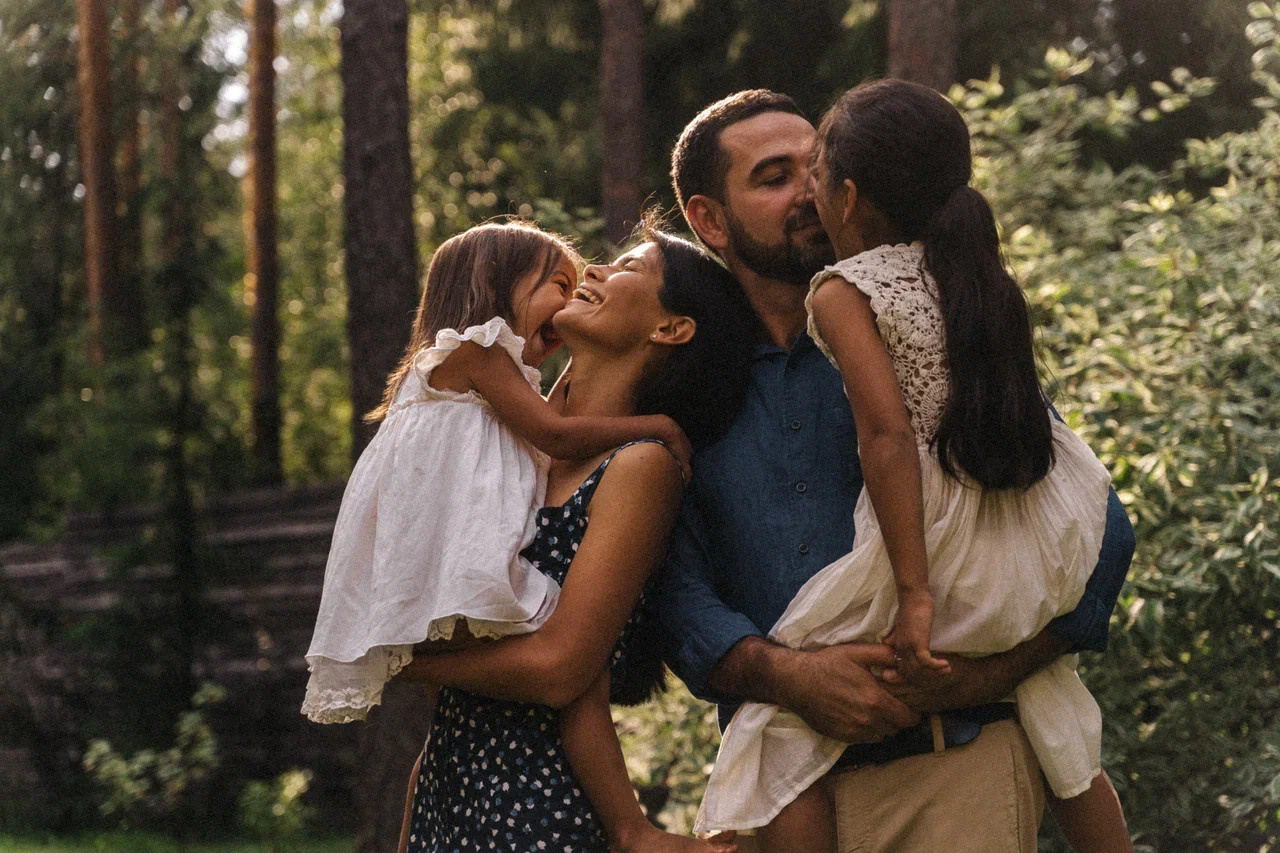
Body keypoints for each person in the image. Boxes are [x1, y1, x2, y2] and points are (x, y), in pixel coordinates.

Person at [660, 89, 1137, 852]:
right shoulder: (684, 384)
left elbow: (1097, 534)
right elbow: (674, 589)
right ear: (709, 219)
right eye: (774, 176)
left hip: (953, 771)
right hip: (784, 796)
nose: (807, 191)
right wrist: (788, 675)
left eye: (814, 165)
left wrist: (984, 675)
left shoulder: (928, 334)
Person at [302, 219, 740, 851]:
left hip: (535, 800)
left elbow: (562, 670)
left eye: (628, 270)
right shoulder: (512, 446)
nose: (594, 272)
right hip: (445, 786)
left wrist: (402, 661)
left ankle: (630, 830)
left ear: (669, 328)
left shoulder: (640, 462)